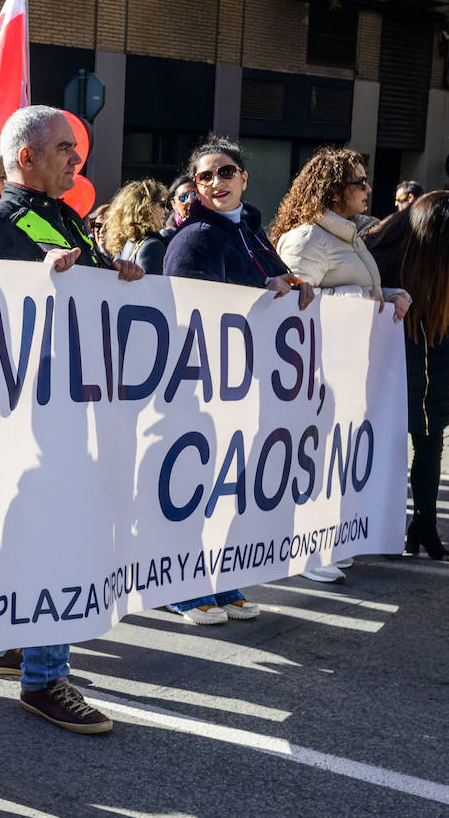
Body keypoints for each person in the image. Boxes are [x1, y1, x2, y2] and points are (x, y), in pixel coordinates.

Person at [0, 105, 142, 737]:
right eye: (65, 148)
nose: (76, 159)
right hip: (28, 423)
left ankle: (19, 646)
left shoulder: (63, 218)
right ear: (27, 157)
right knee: (49, 540)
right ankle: (44, 678)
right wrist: (35, 284)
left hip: (69, 413)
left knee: (46, 538)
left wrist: (116, 274)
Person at [163, 136, 314, 622]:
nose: (216, 182)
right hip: (205, 386)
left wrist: (293, 286)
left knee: (229, 489)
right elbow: (190, 308)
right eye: (205, 176)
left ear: (244, 178)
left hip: (246, 384)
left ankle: (222, 578)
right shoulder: (195, 236)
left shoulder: (251, 233)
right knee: (196, 490)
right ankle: (184, 588)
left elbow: (274, 284)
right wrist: (263, 290)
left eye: (225, 171)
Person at [272, 148, 411, 581]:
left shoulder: (348, 237)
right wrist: (357, 300)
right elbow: (292, 310)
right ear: (334, 190)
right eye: (359, 182)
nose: (368, 189)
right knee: (312, 459)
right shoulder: (307, 239)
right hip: (318, 376)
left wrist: (391, 296)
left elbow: (358, 288)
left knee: (338, 460)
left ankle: (328, 540)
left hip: (350, 371)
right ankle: (305, 552)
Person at [366, 192, 449, 561]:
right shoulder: (385, 250)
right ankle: (385, 529)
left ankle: (424, 525)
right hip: (397, 357)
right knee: (391, 445)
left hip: (436, 356)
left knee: (430, 443)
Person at [101, 179, 169, 274]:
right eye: (162, 205)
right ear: (146, 208)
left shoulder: (124, 245)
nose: (166, 211)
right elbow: (151, 282)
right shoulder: (152, 245)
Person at [161, 174, 198, 239]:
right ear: (173, 205)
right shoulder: (167, 237)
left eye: (195, 195)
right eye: (183, 197)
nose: (190, 200)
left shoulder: (213, 225)